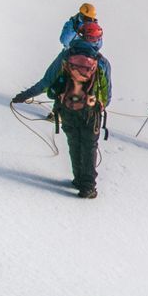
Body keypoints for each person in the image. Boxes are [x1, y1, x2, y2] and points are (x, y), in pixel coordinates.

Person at [46, 37, 112, 197]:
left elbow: (52, 88)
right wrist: (101, 103)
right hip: (91, 112)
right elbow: (106, 92)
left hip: (68, 110)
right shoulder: (100, 63)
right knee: (89, 147)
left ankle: (78, 179)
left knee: (74, 143)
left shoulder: (67, 58)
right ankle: (88, 186)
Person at [16, 15, 111, 103]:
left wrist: (25, 95)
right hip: (89, 112)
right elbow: (105, 93)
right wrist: (99, 107)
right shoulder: (103, 63)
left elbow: (47, 82)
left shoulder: (66, 56)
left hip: (65, 106)